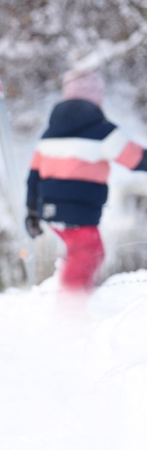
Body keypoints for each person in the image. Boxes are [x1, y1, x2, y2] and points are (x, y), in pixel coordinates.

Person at [26, 68, 147, 291]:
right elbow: (135, 159)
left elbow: (33, 176)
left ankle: (75, 297)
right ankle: (71, 308)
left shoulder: (48, 134)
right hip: (78, 211)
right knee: (89, 250)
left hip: (51, 210)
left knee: (79, 251)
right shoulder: (101, 131)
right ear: (97, 98)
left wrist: (32, 212)